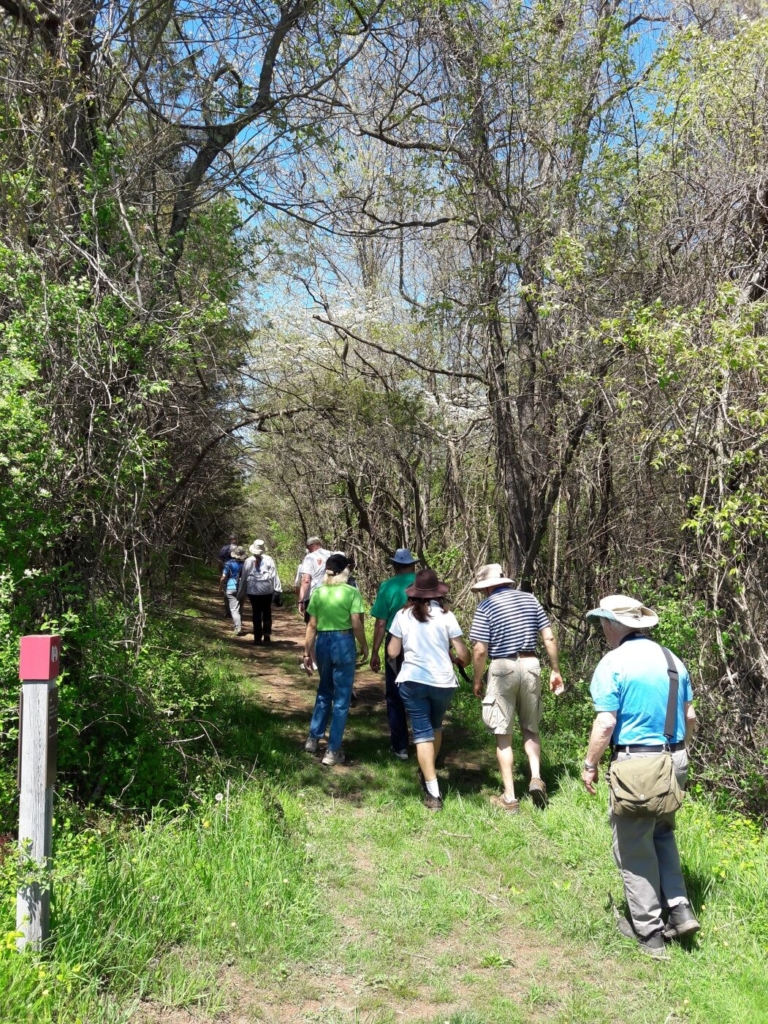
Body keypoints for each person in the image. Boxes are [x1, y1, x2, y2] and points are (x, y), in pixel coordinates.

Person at [581, 594, 700, 956]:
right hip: (674, 758)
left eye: (603, 622)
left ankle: (649, 933)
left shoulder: (613, 662)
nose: (602, 629)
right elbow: (690, 717)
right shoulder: (671, 659)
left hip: (636, 765)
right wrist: (678, 753)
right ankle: (679, 910)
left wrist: (590, 765)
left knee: (632, 848)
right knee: (662, 834)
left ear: (616, 625)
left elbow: (605, 723)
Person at [469, 563, 563, 812]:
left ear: (486, 588)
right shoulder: (530, 600)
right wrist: (555, 670)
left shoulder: (487, 606)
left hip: (502, 666)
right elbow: (549, 637)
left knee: (503, 733)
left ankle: (510, 797)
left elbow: (480, 649)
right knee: (530, 728)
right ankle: (535, 777)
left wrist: (477, 679)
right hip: (531, 663)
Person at [387, 568, 470, 811]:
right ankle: (428, 772)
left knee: (422, 732)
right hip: (443, 681)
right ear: (437, 593)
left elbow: (392, 652)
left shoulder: (403, 616)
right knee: (435, 726)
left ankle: (433, 792)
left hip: (413, 680)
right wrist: (459, 661)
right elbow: (462, 653)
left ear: (414, 594)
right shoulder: (447, 616)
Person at [302, 553, 368, 766]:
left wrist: (306, 652)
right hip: (343, 642)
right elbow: (356, 623)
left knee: (324, 690)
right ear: (345, 571)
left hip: (323, 643)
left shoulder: (319, 593)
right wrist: (364, 645)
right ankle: (332, 751)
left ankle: (313, 739)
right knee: (341, 699)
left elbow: (312, 625)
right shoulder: (351, 593)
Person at [370, 548, 418, 760]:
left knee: (395, 692)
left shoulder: (388, 586)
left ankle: (400, 746)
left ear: (395, 566)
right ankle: (425, 740)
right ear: (413, 565)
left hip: (396, 643)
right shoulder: (424, 582)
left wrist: (374, 652)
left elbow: (381, 623)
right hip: (424, 641)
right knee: (421, 690)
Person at [238, 540, 282, 645]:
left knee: (256, 612)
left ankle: (257, 637)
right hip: (267, 589)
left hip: (253, 590)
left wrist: (240, 593)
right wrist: (278, 589)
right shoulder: (269, 559)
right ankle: (266, 634)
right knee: (267, 612)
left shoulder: (248, 561)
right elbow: (274, 575)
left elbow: (244, 577)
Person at [298, 536, 331, 622]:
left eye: (307, 547)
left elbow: (306, 580)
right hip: (331, 596)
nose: (307, 549)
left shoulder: (309, 557)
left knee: (311, 626)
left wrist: (301, 601)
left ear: (311, 545)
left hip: (313, 596)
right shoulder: (331, 554)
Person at [219, 545, 246, 635]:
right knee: (240, 608)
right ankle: (238, 625)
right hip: (243, 588)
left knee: (234, 609)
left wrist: (220, 586)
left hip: (231, 587)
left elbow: (223, 577)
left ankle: (238, 627)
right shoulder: (245, 564)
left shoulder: (228, 563)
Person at [217, 534, 238, 618]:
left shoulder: (224, 548)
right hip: (237, 570)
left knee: (227, 590)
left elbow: (220, 561)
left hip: (226, 570)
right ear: (236, 539)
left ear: (229, 539)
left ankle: (228, 611)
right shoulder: (240, 549)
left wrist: (221, 571)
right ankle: (235, 611)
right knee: (237, 589)